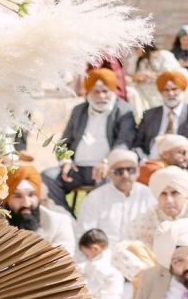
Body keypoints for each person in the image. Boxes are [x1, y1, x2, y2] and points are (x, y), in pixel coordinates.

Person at [44, 69, 140, 210]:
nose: (101, 96)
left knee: (113, 182)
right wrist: (65, 162)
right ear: (88, 93)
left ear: (112, 91)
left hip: (107, 170)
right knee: (47, 177)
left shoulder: (124, 111)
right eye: (96, 92)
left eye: (105, 91)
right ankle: (67, 218)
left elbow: (124, 142)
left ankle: (96, 223)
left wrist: (107, 162)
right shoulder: (79, 111)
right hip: (76, 169)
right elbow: (63, 143)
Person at [73, 148, 158, 246]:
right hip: (104, 256)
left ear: (138, 172)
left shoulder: (148, 195)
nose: (125, 175)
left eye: (131, 170)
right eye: (119, 171)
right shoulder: (95, 198)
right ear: (109, 174)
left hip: (141, 254)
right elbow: (84, 233)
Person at [135, 70, 188, 168]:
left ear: (182, 89)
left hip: (181, 166)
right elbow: (137, 144)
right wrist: (144, 162)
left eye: (174, 89)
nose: (170, 93)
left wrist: (183, 164)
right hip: (151, 163)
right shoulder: (149, 115)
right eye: (165, 90)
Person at [4, 164, 76, 252]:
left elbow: (64, 260)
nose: (26, 203)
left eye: (31, 195)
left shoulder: (59, 223)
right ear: (6, 199)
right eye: (18, 196)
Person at [138, 165, 188, 250]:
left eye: (174, 193)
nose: (169, 200)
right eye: (163, 194)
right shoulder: (145, 220)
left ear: (185, 194)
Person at [72, 227, 128, 299]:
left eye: (86, 254)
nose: (86, 258)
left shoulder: (111, 271)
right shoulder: (87, 265)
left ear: (95, 248)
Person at [126, 42, 186, 113]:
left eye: (136, 48)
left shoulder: (164, 55)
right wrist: (138, 76)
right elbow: (131, 77)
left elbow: (173, 74)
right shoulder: (137, 60)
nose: (135, 51)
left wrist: (152, 75)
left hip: (161, 91)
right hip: (143, 92)